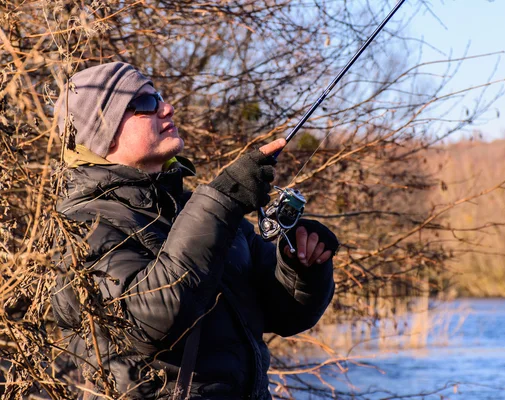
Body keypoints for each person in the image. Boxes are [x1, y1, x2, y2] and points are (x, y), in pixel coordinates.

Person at [51, 62, 338, 400]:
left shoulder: (197, 211)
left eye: (158, 96)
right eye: (144, 104)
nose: (166, 107)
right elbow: (150, 322)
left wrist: (301, 264)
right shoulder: (79, 224)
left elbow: (287, 315)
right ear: (102, 131)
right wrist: (221, 202)